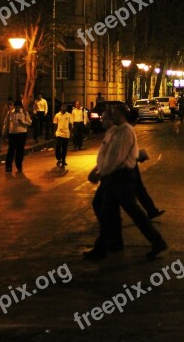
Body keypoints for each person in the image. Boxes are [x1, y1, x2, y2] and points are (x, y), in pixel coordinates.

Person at [84, 105, 167, 261]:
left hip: (120, 178)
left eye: (114, 114)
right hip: (114, 177)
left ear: (121, 115)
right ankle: (104, 247)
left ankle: (157, 241)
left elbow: (116, 158)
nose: (111, 117)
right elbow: (107, 155)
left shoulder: (125, 131)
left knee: (133, 213)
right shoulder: (116, 131)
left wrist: (101, 173)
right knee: (108, 212)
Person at [2, 99, 32, 173]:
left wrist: (22, 122)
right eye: (16, 106)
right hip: (12, 134)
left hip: (22, 134)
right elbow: (6, 123)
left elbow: (29, 123)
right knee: (11, 150)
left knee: (20, 150)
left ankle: (19, 166)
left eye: (19, 106)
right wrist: (4, 133)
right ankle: (8, 166)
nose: (17, 108)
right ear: (14, 106)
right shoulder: (10, 113)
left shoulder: (24, 113)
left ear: (20, 107)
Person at [53, 104, 73, 168]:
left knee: (64, 148)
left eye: (65, 107)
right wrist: (54, 132)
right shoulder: (57, 115)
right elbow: (55, 124)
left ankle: (63, 160)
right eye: (63, 107)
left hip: (66, 134)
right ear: (61, 107)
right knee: (58, 147)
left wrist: (71, 133)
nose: (64, 108)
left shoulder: (69, 115)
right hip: (59, 133)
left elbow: (70, 125)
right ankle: (59, 158)